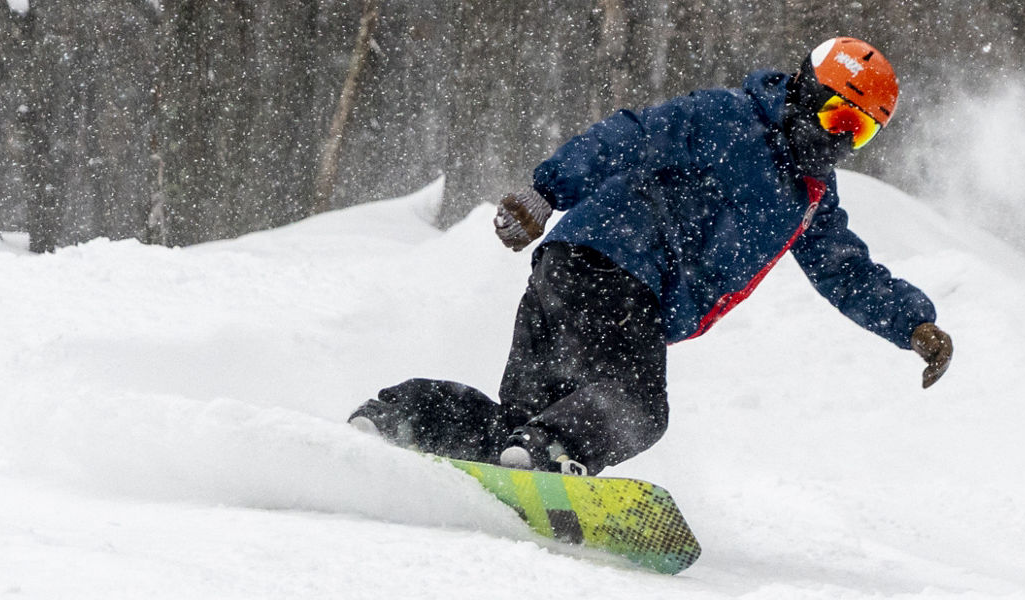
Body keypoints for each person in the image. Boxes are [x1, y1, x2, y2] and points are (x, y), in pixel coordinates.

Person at [350, 37, 952, 475]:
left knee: (526, 418)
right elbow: (629, 135)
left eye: (862, 133)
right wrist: (547, 190)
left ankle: (404, 417)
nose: (841, 140)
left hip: (573, 269)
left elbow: (846, 271)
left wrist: (914, 324)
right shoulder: (728, 118)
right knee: (637, 410)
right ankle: (547, 459)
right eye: (839, 116)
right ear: (803, 89)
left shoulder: (812, 196)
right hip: (617, 266)